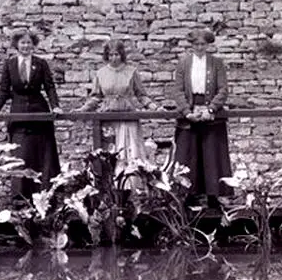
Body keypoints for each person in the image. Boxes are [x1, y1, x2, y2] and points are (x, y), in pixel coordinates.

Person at [76, 39, 157, 190]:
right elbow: (96, 96)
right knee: (111, 154)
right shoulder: (101, 73)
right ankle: (110, 190)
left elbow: (141, 95)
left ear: (122, 55)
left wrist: (154, 107)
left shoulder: (131, 71)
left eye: (117, 55)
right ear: (107, 56)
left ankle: (132, 189)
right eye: (111, 55)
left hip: (128, 118)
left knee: (130, 153)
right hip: (108, 119)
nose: (114, 58)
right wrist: (84, 108)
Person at [0, 28, 62, 199]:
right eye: (22, 42)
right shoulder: (9, 64)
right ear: (16, 44)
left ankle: (46, 194)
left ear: (33, 45)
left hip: (39, 114)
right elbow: (3, 90)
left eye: (28, 43)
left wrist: (55, 106)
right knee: (21, 154)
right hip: (18, 114)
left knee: (42, 153)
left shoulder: (41, 63)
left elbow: (49, 86)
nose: (25, 46)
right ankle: (20, 197)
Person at [172, 29, 233, 209]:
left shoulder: (216, 63)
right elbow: (178, 90)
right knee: (188, 153)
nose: (199, 47)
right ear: (191, 46)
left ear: (208, 45)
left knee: (212, 153)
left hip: (210, 112)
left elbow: (223, 89)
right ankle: (189, 196)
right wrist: (186, 111)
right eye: (196, 44)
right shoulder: (183, 64)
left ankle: (213, 197)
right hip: (190, 111)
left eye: (203, 44)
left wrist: (211, 108)